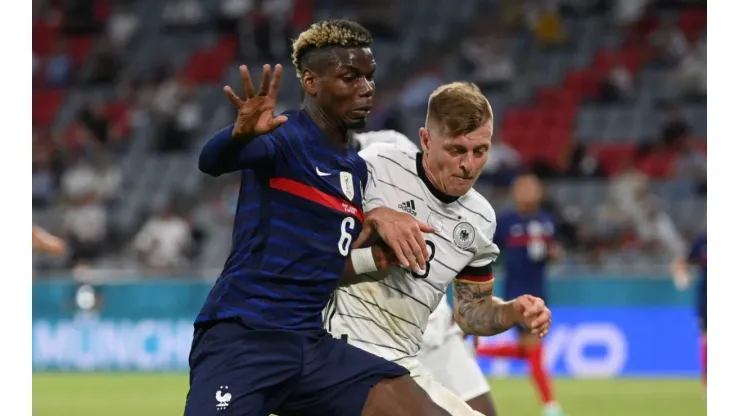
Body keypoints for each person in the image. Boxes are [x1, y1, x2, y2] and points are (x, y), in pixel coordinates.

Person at [185, 19, 449, 416]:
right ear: (311, 82)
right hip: (244, 335)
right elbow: (212, 162)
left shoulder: (355, 169)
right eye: (350, 77)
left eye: (369, 77)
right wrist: (238, 136)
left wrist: (375, 253)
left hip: (310, 345)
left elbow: (324, 264)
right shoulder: (284, 136)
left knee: (420, 411)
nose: (366, 88)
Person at [326, 82, 552, 415]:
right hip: (344, 347)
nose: (469, 165)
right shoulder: (375, 166)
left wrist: (512, 312)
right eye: (457, 150)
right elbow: (318, 255)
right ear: (426, 140)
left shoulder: (480, 218)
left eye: (480, 151)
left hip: (407, 354)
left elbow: (472, 311)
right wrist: (374, 222)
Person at [351, 128, 498, 416]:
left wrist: (468, 307)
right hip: (369, 327)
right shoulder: (326, 161)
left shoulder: (389, 145)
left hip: (432, 324)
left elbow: (443, 229)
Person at [476, 174, 566, 416]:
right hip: (516, 294)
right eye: (523, 188)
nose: (528, 193)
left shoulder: (548, 221)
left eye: (532, 188)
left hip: (541, 292)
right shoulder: (505, 222)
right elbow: (489, 252)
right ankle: (550, 405)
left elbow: (551, 252)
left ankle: (476, 352)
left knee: (530, 349)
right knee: (533, 346)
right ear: (515, 193)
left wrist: (554, 253)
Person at [671, 231, 707, 388]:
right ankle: (707, 380)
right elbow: (680, 262)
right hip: (707, 293)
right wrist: (682, 278)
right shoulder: (703, 240)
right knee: (707, 337)